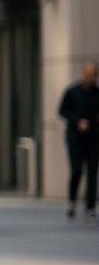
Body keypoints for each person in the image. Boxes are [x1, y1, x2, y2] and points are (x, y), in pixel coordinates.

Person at [58, 61, 98, 224]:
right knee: (76, 171)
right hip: (75, 138)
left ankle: (90, 208)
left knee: (92, 173)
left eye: (93, 74)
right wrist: (77, 121)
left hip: (94, 138)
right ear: (82, 74)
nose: (90, 77)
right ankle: (72, 200)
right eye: (88, 74)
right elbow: (61, 111)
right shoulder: (72, 92)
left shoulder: (97, 93)